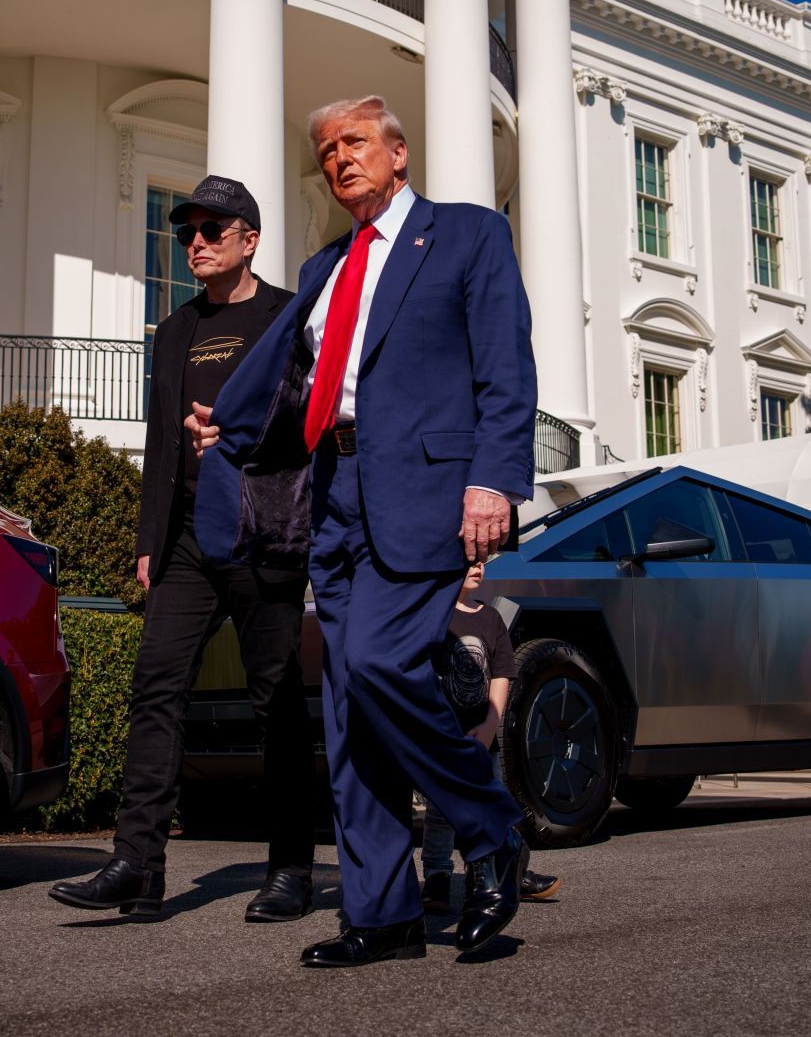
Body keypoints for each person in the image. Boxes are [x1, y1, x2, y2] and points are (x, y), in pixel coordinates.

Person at [190, 95, 539, 967]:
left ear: (398, 153)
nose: (338, 159)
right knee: (349, 712)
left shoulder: (466, 235)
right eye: (325, 151)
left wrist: (493, 479)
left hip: (427, 489)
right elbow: (298, 385)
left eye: (353, 143)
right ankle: (382, 914)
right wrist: (229, 427)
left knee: (383, 664)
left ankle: (491, 828)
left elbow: (505, 363)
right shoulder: (322, 268)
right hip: (335, 496)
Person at [50, 175, 316, 922]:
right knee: (156, 689)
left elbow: (314, 418)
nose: (195, 242)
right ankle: (137, 863)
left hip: (263, 532)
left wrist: (243, 435)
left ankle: (291, 866)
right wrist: (149, 539)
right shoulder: (173, 331)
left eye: (212, 229)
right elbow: (160, 443)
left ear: (249, 240)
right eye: (187, 232)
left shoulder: (286, 317)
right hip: (189, 538)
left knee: (276, 702)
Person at [420, 562, 560, 913]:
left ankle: (493, 873)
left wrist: (488, 725)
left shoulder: (491, 618)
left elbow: (501, 675)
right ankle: (436, 876)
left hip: (482, 736)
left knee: (493, 803)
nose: (478, 566)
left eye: (482, 559)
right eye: (468, 560)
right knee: (440, 811)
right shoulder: (432, 615)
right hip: (443, 736)